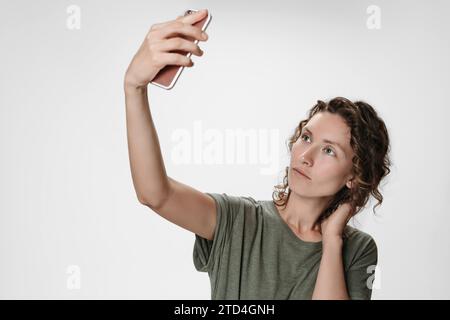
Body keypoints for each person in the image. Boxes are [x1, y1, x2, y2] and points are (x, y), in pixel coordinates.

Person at [123, 8, 392, 300]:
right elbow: (155, 194)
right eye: (306, 137)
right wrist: (134, 88)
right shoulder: (240, 219)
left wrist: (331, 239)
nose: (306, 156)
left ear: (354, 175)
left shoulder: (359, 250)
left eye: (328, 150)